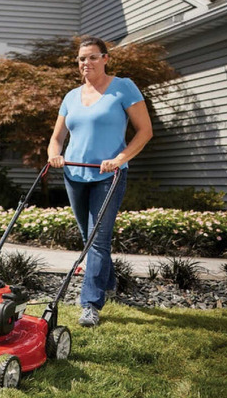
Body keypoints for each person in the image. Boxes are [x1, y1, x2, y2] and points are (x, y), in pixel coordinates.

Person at [47, 36, 153, 327]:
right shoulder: (71, 96)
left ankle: (90, 305)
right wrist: (54, 155)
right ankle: (108, 282)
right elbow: (56, 139)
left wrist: (120, 158)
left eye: (93, 57)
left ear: (106, 58)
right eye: (82, 58)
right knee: (89, 237)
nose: (86, 63)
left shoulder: (123, 87)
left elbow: (144, 131)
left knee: (96, 240)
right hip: (74, 174)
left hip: (109, 175)